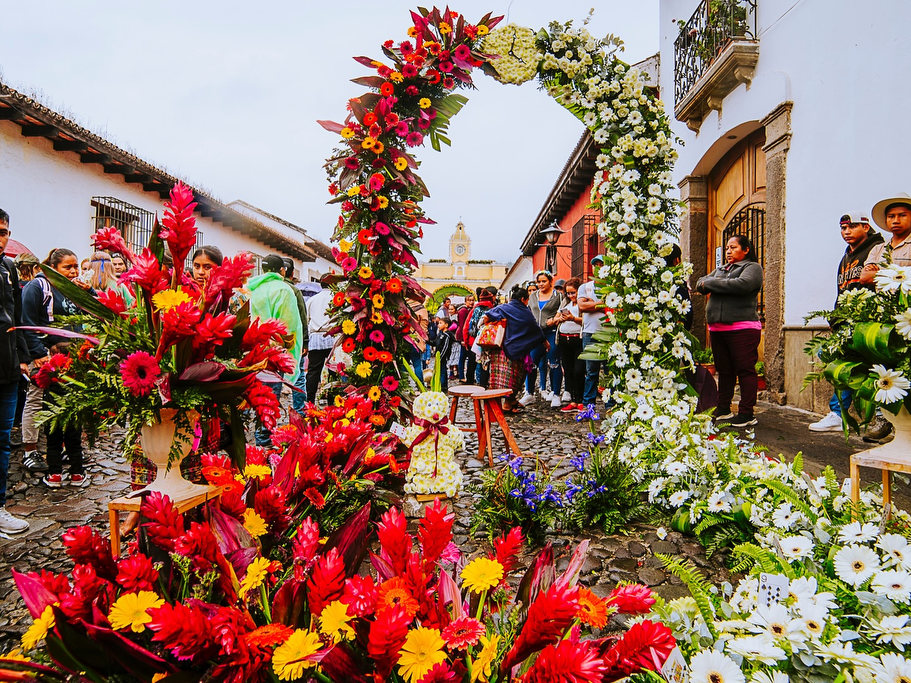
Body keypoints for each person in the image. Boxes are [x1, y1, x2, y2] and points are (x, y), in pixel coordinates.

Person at [809, 212, 883, 432]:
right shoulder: (846, 257)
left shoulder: (876, 250)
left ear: (866, 227)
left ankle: (878, 416)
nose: (846, 232)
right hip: (846, 324)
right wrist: (835, 316)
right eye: (843, 228)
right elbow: (842, 290)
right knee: (837, 364)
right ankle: (838, 414)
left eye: (852, 227)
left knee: (873, 370)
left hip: (868, 324)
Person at [22, 248, 90, 486]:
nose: (73, 272)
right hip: (48, 361)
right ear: (53, 267)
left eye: (75, 267)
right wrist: (39, 354)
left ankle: (74, 469)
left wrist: (88, 292)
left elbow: (92, 313)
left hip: (73, 361)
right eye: (67, 267)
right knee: (47, 411)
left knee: (72, 416)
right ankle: (41, 459)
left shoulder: (73, 290)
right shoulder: (37, 287)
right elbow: (27, 322)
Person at [857, 193, 911, 442]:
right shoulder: (878, 248)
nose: (895, 220)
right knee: (882, 368)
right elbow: (865, 277)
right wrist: (900, 271)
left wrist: (883, 270)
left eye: (901, 215)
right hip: (881, 316)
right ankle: (883, 419)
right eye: (891, 216)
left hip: (907, 315)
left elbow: (875, 274)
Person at [695, 234, 764, 427]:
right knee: (724, 371)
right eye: (727, 248)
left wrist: (711, 283)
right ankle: (723, 408)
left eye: (733, 248)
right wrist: (710, 282)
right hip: (718, 328)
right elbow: (700, 282)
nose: (728, 251)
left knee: (745, 370)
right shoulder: (721, 269)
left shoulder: (752, 268)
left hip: (742, 328)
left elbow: (743, 285)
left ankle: (746, 413)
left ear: (746, 249)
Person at [247, 254, 304, 446]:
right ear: (282, 270)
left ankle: (260, 434)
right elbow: (289, 325)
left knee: (259, 393)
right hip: (275, 351)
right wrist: (290, 350)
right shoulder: (283, 290)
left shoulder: (255, 289)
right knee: (271, 395)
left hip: (256, 348)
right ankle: (264, 438)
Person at [0, 210, 28, 532]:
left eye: (5, 232)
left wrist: (22, 357)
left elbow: (17, 320)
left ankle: (0, 505)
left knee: (2, 441)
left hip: (6, 370)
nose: (1, 237)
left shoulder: (9, 268)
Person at [480, 286, 546, 412]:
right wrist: (544, 340)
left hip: (500, 349)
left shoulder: (503, 307)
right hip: (517, 350)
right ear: (523, 299)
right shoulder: (525, 312)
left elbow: (487, 316)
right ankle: (508, 404)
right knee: (514, 379)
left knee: (499, 378)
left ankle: (499, 405)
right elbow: (534, 329)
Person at [524, 270, 565, 408]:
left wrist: (554, 320)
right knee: (531, 362)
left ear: (550, 281)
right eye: (539, 282)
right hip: (536, 334)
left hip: (551, 332)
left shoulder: (558, 296)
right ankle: (529, 393)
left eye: (544, 281)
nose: (541, 284)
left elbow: (563, 313)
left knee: (554, 362)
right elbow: (529, 313)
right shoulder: (533, 296)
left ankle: (556, 394)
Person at [282, 258, 310, 414]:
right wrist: (305, 342)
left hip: (270, 340)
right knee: (298, 376)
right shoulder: (294, 291)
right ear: (292, 273)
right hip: (293, 340)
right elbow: (302, 317)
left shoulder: (263, 288)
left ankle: (266, 421)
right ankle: (299, 411)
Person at [578, 255, 606, 408]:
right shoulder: (585, 287)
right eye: (596, 265)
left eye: (602, 264)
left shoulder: (614, 286)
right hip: (590, 332)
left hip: (610, 333)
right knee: (591, 372)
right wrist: (602, 303)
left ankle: (611, 405)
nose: (598, 267)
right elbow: (582, 307)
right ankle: (588, 403)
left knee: (609, 372)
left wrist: (592, 304)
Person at [305, 275, 335, 407]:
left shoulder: (312, 300)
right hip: (332, 338)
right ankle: (332, 402)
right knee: (333, 372)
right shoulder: (336, 299)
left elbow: (306, 320)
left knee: (313, 372)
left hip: (316, 338)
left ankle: (310, 401)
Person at [556, 277, 584, 412]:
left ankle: (581, 400)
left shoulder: (583, 304)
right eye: (568, 293)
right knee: (568, 371)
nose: (571, 295)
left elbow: (586, 321)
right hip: (564, 340)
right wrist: (560, 318)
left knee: (579, 371)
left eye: (573, 292)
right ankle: (573, 400)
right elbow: (556, 318)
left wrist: (573, 318)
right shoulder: (565, 304)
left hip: (577, 340)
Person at [455, 293, 475, 381]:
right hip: (463, 336)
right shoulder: (463, 311)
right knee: (462, 356)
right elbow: (463, 325)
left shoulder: (469, 310)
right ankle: (461, 376)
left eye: (472, 300)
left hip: (465, 336)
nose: (471, 302)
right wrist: (464, 339)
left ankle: (463, 376)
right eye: (469, 300)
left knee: (464, 356)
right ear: (465, 301)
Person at [434, 317, 455, 392]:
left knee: (443, 371)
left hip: (442, 357)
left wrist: (440, 357)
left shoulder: (447, 335)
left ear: (446, 325)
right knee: (440, 371)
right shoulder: (440, 334)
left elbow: (445, 347)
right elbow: (435, 343)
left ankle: (443, 386)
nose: (438, 325)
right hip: (438, 356)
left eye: (440, 323)